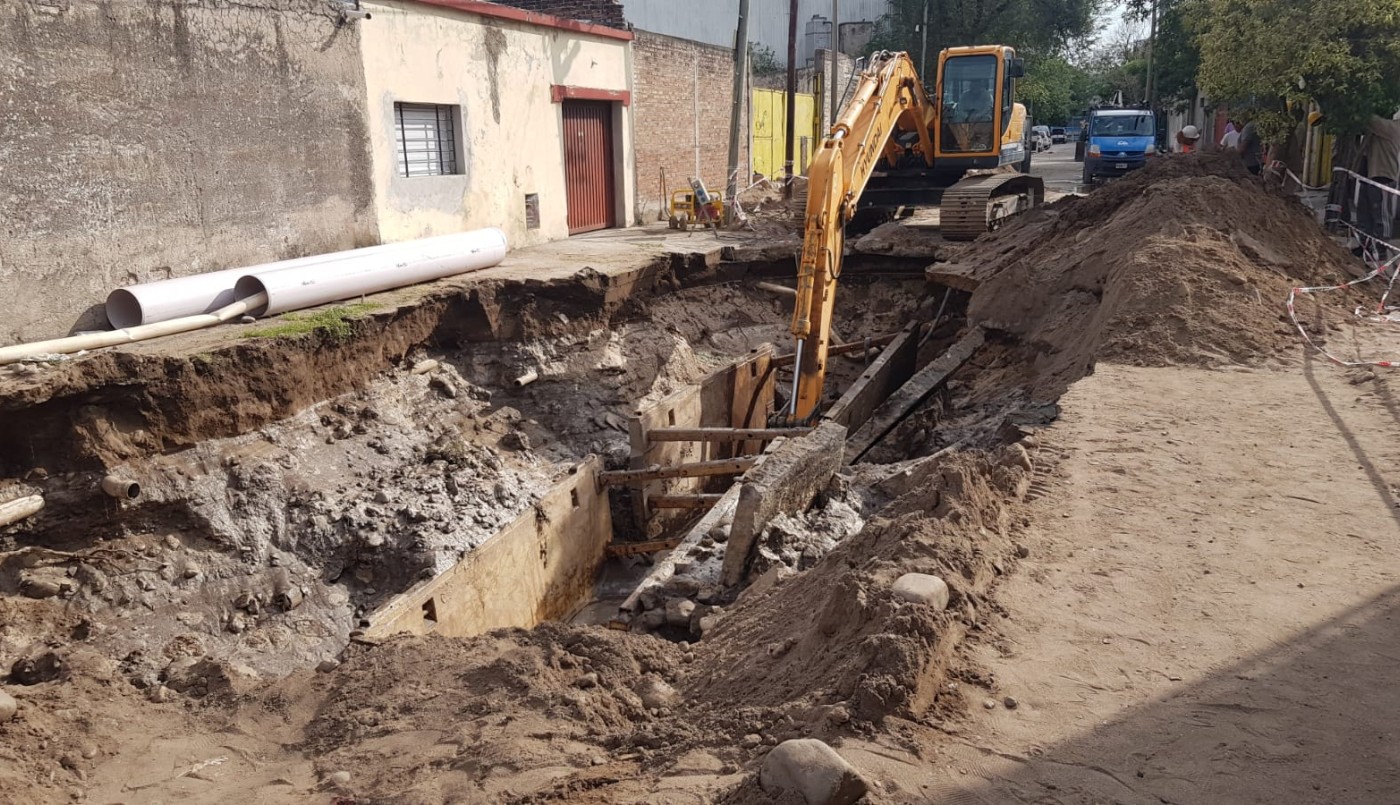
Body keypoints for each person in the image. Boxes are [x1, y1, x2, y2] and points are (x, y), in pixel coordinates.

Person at [1360, 114, 1400, 241]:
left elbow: (1368, 118)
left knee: (1382, 217)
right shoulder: (1384, 128)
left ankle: (1381, 248)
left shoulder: (1392, 128)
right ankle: (1366, 246)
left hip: (1384, 177)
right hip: (1372, 175)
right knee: (1366, 215)